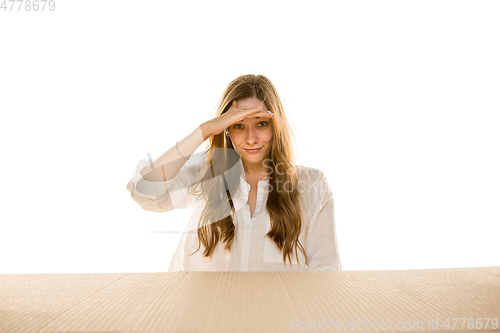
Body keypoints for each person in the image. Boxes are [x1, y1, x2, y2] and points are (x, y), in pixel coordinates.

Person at [126, 74, 341, 272]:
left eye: (262, 124)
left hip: (278, 313)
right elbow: (144, 191)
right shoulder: (206, 176)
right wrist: (205, 130)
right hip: (201, 312)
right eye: (238, 126)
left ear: (276, 127)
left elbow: (326, 270)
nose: (251, 138)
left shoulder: (312, 185)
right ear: (226, 130)